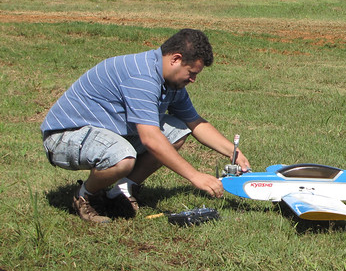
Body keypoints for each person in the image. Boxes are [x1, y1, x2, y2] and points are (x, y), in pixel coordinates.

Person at [41, 28, 250, 223]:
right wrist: (195, 176)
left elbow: (194, 122)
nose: (193, 79)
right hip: (65, 136)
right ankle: (85, 196)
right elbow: (151, 139)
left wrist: (234, 152)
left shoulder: (170, 83)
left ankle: (121, 190)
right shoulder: (141, 76)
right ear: (176, 59)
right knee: (122, 156)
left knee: (176, 129)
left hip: (102, 133)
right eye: (191, 72)